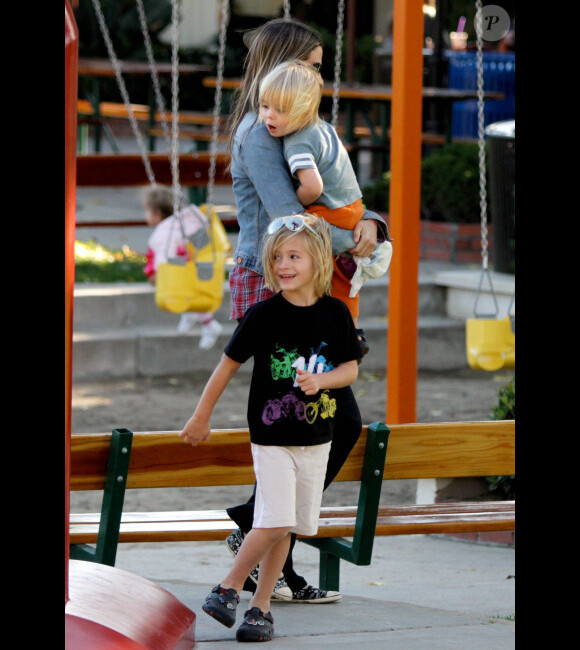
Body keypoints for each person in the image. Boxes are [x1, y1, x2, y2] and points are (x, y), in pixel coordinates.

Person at [223, 16, 390, 604]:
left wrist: (370, 222)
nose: (321, 76)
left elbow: (334, 198)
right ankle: (261, 536)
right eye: (314, 66)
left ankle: (267, 543)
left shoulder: (294, 127)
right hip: (275, 287)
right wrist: (370, 235)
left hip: (307, 283)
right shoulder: (259, 133)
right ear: (286, 66)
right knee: (319, 422)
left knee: (310, 423)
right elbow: (288, 221)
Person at [180, 214, 361, 642]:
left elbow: (351, 369)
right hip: (272, 439)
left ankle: (260, 609)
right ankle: (227, 587)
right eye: (276, 256)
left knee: (287, 525)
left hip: (317, 441)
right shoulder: (262, 315)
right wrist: (200, 415)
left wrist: (322, 381)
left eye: (294, 255)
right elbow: (226, 367)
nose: (283, 264)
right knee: (275, 519)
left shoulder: (335, 313)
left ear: (316, 260)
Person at [258, 59, 393, 328]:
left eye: (280, 110)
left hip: (328, 212)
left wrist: (297, 202)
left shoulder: (296, 141)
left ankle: (343, 335)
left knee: (320, 281)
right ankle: (352, 329)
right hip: (352, 208)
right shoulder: (324, 129)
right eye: (265, 106)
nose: (269, 116)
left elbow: (313, 186)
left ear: (303, 109)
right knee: (344, 283)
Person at [143, 185, 223, 349]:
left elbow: (161, 256)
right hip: (185, 269)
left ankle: (208, 324)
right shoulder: (175, 226)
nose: (145, 214)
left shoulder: (164, 232)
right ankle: (194, 317)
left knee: (184, 295)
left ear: (157, 214)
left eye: (147, 210)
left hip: (177, 271)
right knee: (189, 297)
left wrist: (154, 273)